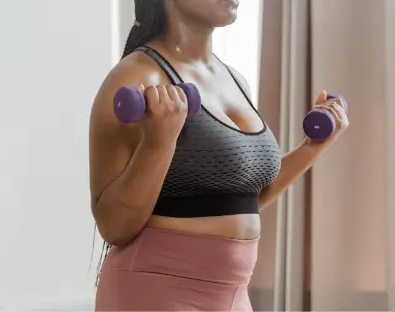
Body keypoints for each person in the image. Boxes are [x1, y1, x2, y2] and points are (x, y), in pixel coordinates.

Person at [88, 0, 348, 310]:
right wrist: (159, 143)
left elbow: (240, 200)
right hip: (156, 291)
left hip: (233, 295)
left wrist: (312, 148)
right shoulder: (135, 78)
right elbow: (114, 227)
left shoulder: (235, 79)